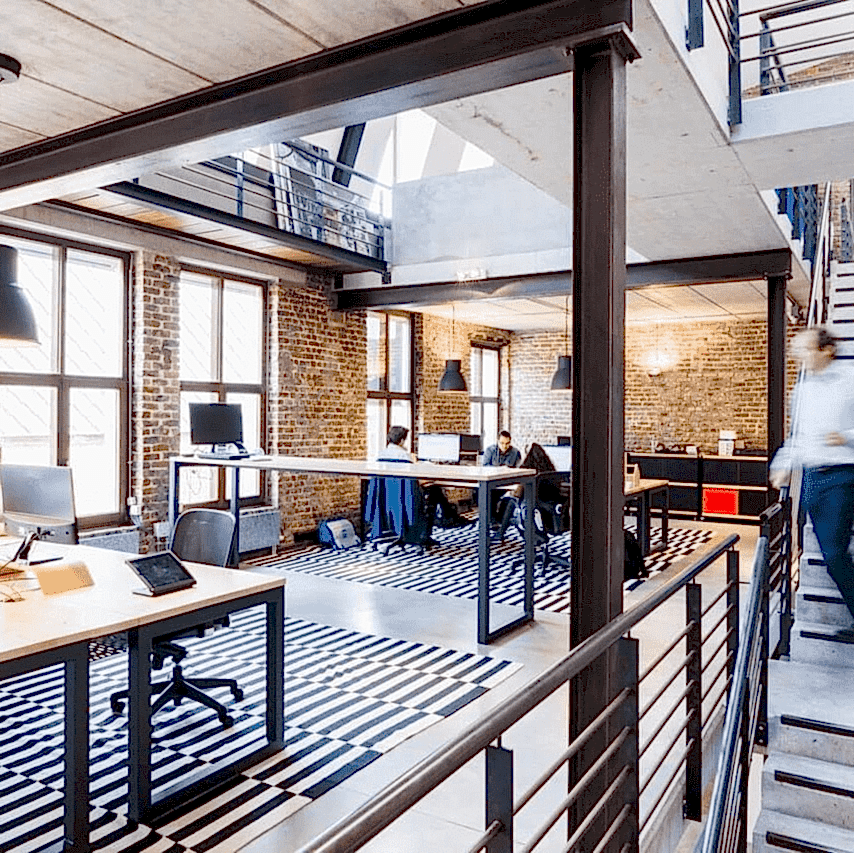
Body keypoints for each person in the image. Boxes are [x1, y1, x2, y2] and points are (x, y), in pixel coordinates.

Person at [770, 326, 854, 632]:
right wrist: (782, 465)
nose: (797, 355)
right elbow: (798, 437)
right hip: (812, 480)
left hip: (843, 476)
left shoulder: (850, 380)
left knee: (833, 554)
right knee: (830, 555)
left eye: (804, 349)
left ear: (826, 350)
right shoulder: (802, 388)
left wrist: (844, 437)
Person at [381, 426, 468, 529]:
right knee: (434, 489)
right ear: (402, 440)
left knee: (433, 487)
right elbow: (413, 480)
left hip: (387, 495)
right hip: (406, 496)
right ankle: (442, 521)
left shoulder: (380, 455)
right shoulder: (404, 456)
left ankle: (448, 517)